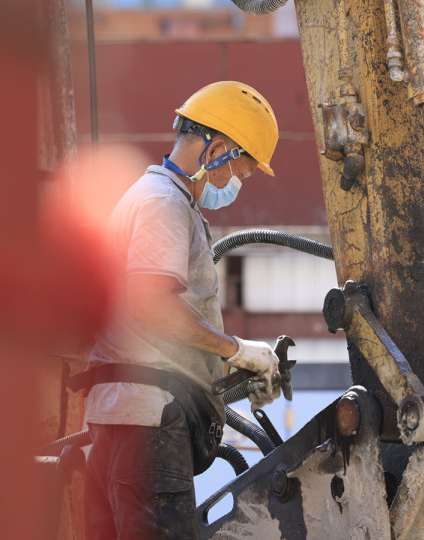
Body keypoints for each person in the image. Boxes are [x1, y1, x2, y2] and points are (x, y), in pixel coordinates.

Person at [71, 81, 283, 539]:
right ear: (217, 150)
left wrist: (236, 369)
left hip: (123, 422)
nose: (238, 185)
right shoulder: (164, 204)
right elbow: (153, 308)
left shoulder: (150, 197)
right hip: (149, 425)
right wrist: (236, 349)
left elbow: (149, 336)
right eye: (242, 172)